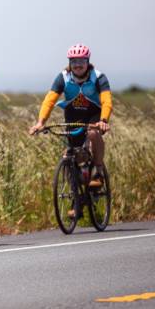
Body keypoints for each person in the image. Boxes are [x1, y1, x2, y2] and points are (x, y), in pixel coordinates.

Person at [28, 43, 113, 218]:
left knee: (92, 133)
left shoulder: (98, 77)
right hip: (72, 118)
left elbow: (106, 101)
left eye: (81, 61)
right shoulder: (63, 77)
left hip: (93, 116)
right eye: (74, 61)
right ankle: (77, 201)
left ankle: (97, 172)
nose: (77, 65)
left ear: (88, 61)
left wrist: (103, 121)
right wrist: (40, 122)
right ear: (69, 63)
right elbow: (49, 100)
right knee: (68, 157)